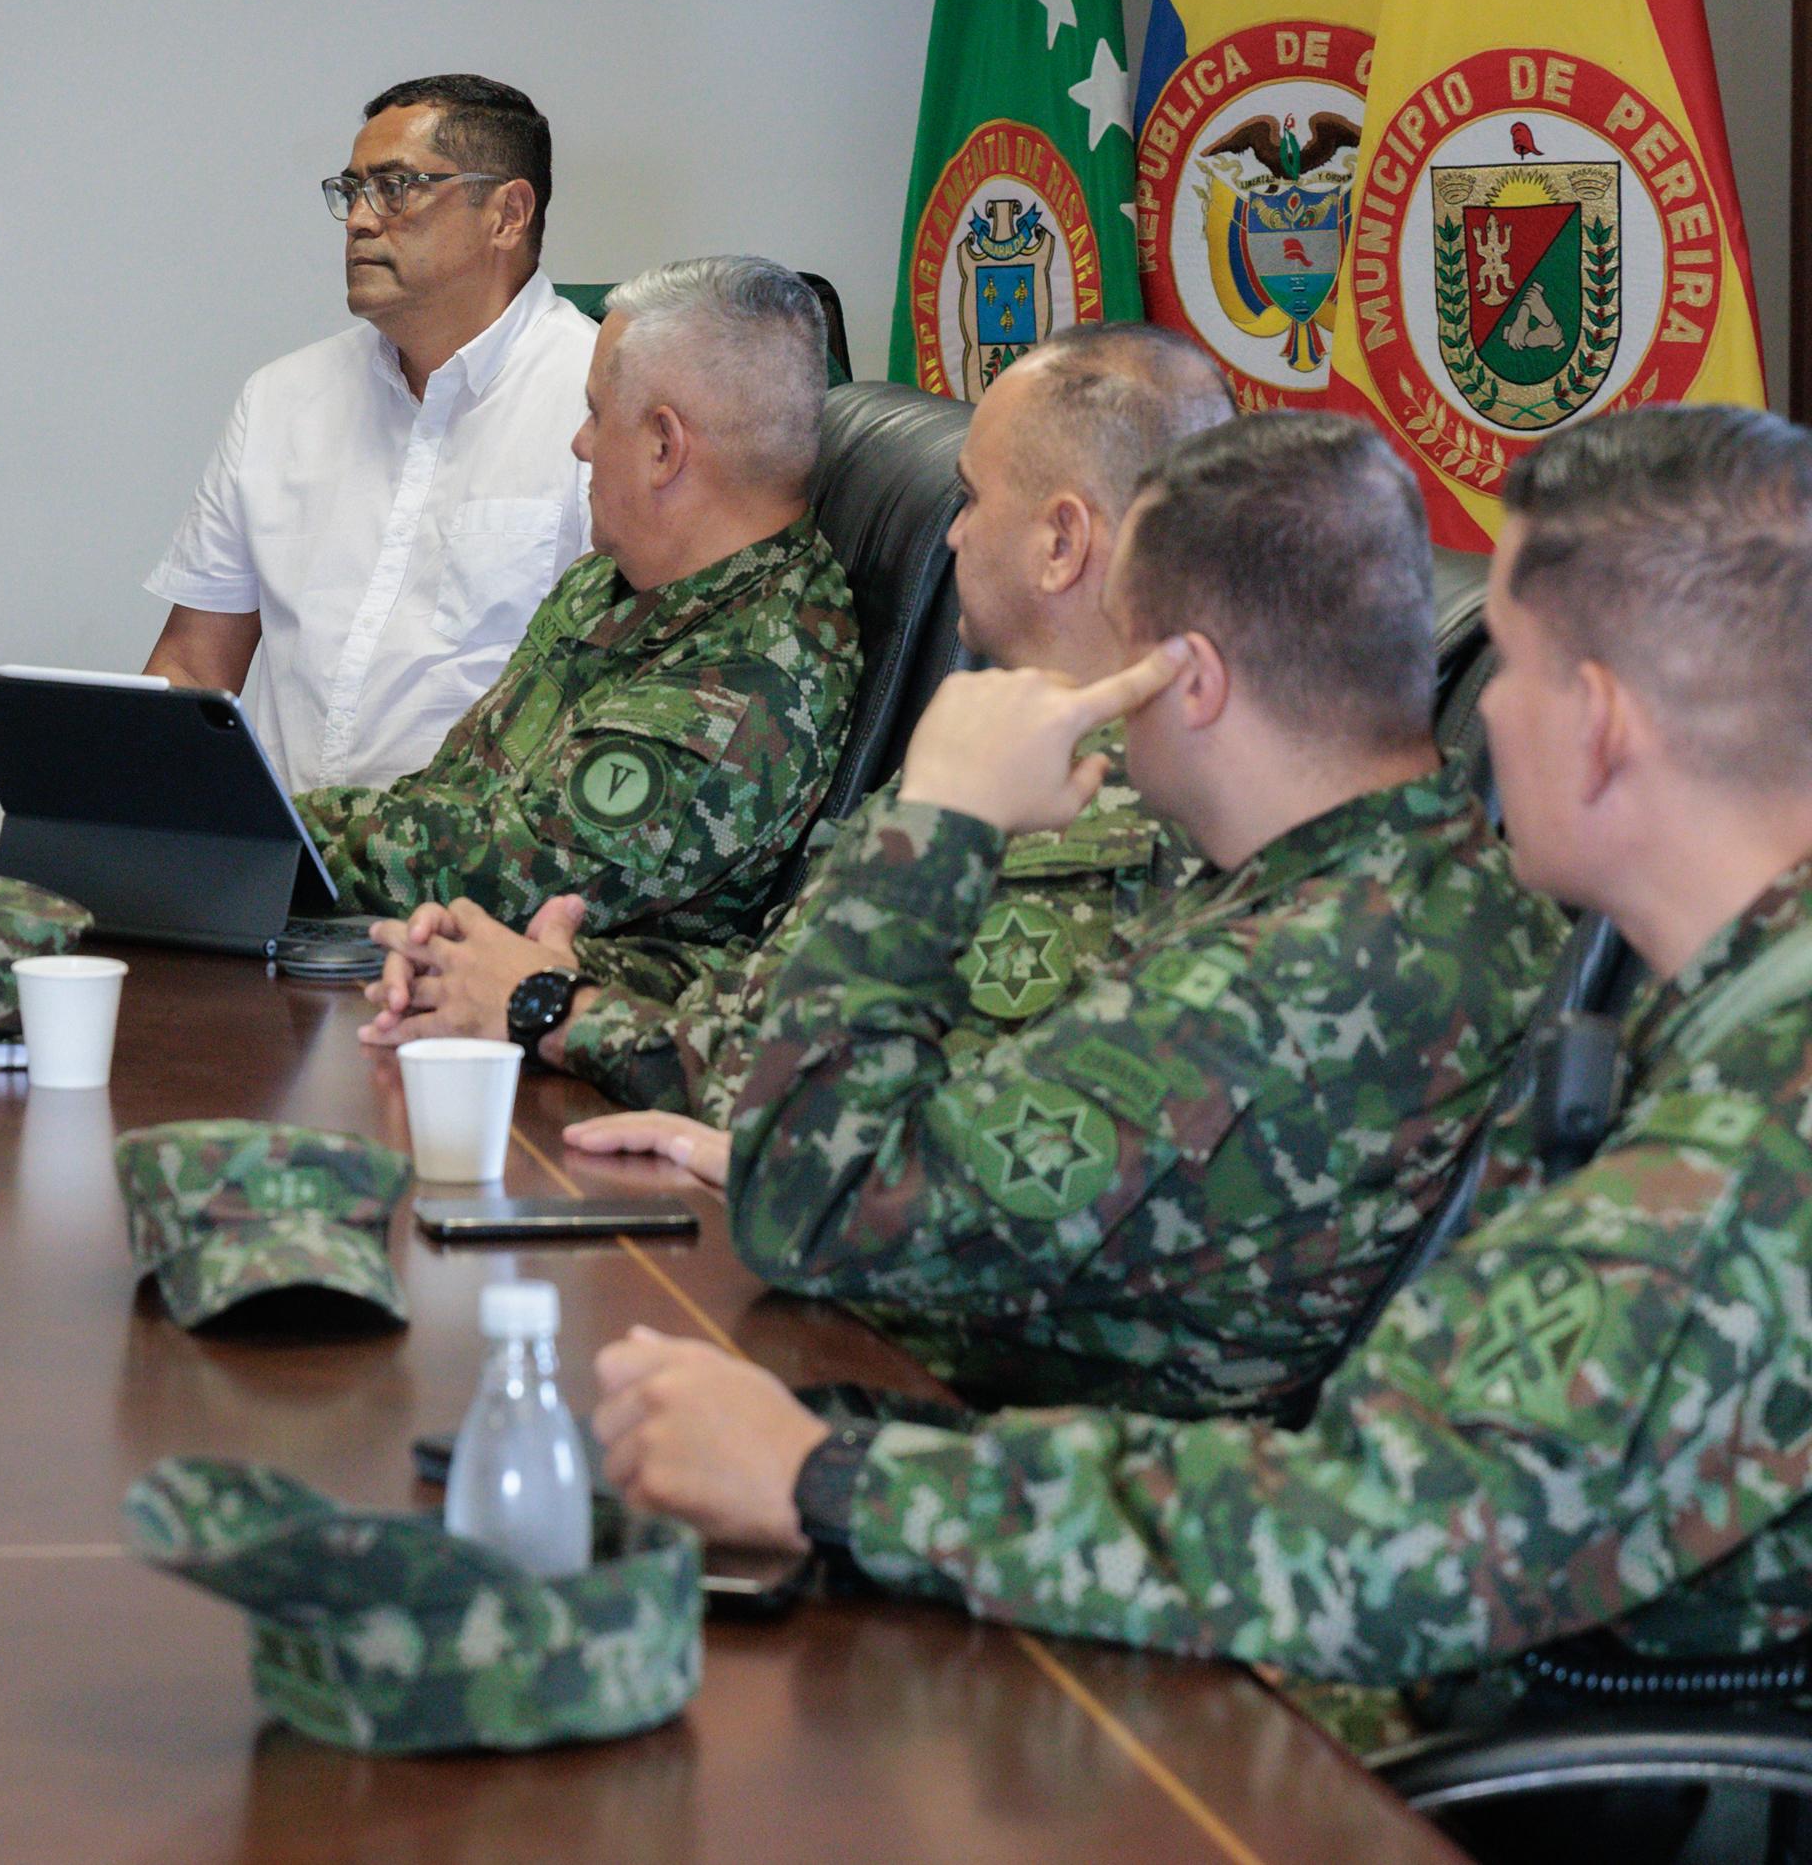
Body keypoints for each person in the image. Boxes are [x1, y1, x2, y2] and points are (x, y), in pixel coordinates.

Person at [590, 408, 1812, 1711]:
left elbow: (1382, 1537)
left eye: (1505, 664)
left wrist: (825, 1476)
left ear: (1603, 725)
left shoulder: (1756, 1129)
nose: (1482, 714)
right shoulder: (1716, 1004)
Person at [660, 413, 1560, 1416]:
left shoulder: (1262, 988)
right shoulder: (1453, 882)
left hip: (1013, 1478)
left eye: (1124, 642)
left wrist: (939, 822)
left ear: (1189, 681)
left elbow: (804, 1202)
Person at [373, 325, 1234, 1119]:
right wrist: (537, 963)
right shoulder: (1016, 733)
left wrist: (553, 1008)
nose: (955, 533)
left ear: (1061, 542)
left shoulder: (1105, 800)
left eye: (970, 499)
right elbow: (784, 983)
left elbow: (839, 1102)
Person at [302, 255, 860, 1002]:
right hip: (414, 958)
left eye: (598, 414)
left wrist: (269, 828)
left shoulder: (753, 679)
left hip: (546, 1049)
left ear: (664, 447)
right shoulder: (622, 575)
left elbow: (505, 873)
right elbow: (454, 793)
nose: (580, 443)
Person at [142, 76, 598, 794]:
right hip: (291, 873)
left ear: (508, 214)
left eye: (396, 188)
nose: (358, 219)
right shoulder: (280, 401)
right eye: (351, 191)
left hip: (481, 880)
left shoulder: (604, 403)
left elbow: (630, 700)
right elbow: (194, 671)